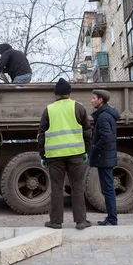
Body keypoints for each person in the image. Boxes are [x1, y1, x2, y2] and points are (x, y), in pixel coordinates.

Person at [37, 78, 93, 230]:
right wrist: (86, 151)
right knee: (77, 187)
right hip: (76, 154)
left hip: (54, 156)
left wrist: (43, 155)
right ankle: (81, 221)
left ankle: (55, 222)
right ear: (70, 93)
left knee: (56, 188)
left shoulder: (48, 109)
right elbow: (87, 132)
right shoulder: (79, 107)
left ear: (56, 94)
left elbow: (41, 134)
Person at [89, 89, 120, 226]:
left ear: (101, 100)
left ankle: (112, 219)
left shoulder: (103, 117)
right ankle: (111, 218)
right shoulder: (105, 115)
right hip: (106, 156)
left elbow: (106, 137)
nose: (91, 100)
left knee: (108, 189)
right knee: (107, 189)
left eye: (94, 98)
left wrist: (95, 148)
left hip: (104, 157)